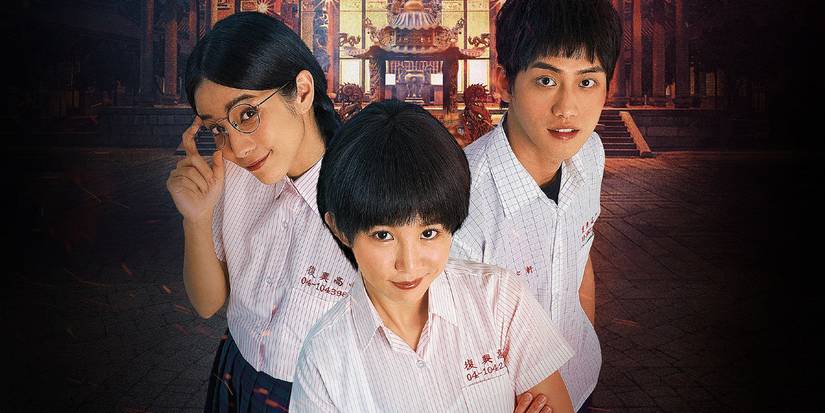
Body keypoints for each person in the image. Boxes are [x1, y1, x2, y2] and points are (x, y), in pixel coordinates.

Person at [290, 99, 575, 413]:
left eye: (429, 233)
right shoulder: (324, 357)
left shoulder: (498, 298)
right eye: (383, 235)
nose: (409, 264)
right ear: (341, 229)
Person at [165, 12, 357, 411]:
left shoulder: (368, 194)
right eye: (218, 128)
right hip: (236, 373)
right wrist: (196, 219)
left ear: (302, 92)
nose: (236, 147)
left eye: (247, 114)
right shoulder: (232, 178)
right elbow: (206, 304)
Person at [449, 0, 623, 411]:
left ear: (607, 87)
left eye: (586, 82)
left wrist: (581, 348)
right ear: (504, 81)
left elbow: (579, 263)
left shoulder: (590, 153)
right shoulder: (459, 201)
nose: (567, 108)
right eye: (546, 81)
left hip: (582, 382)